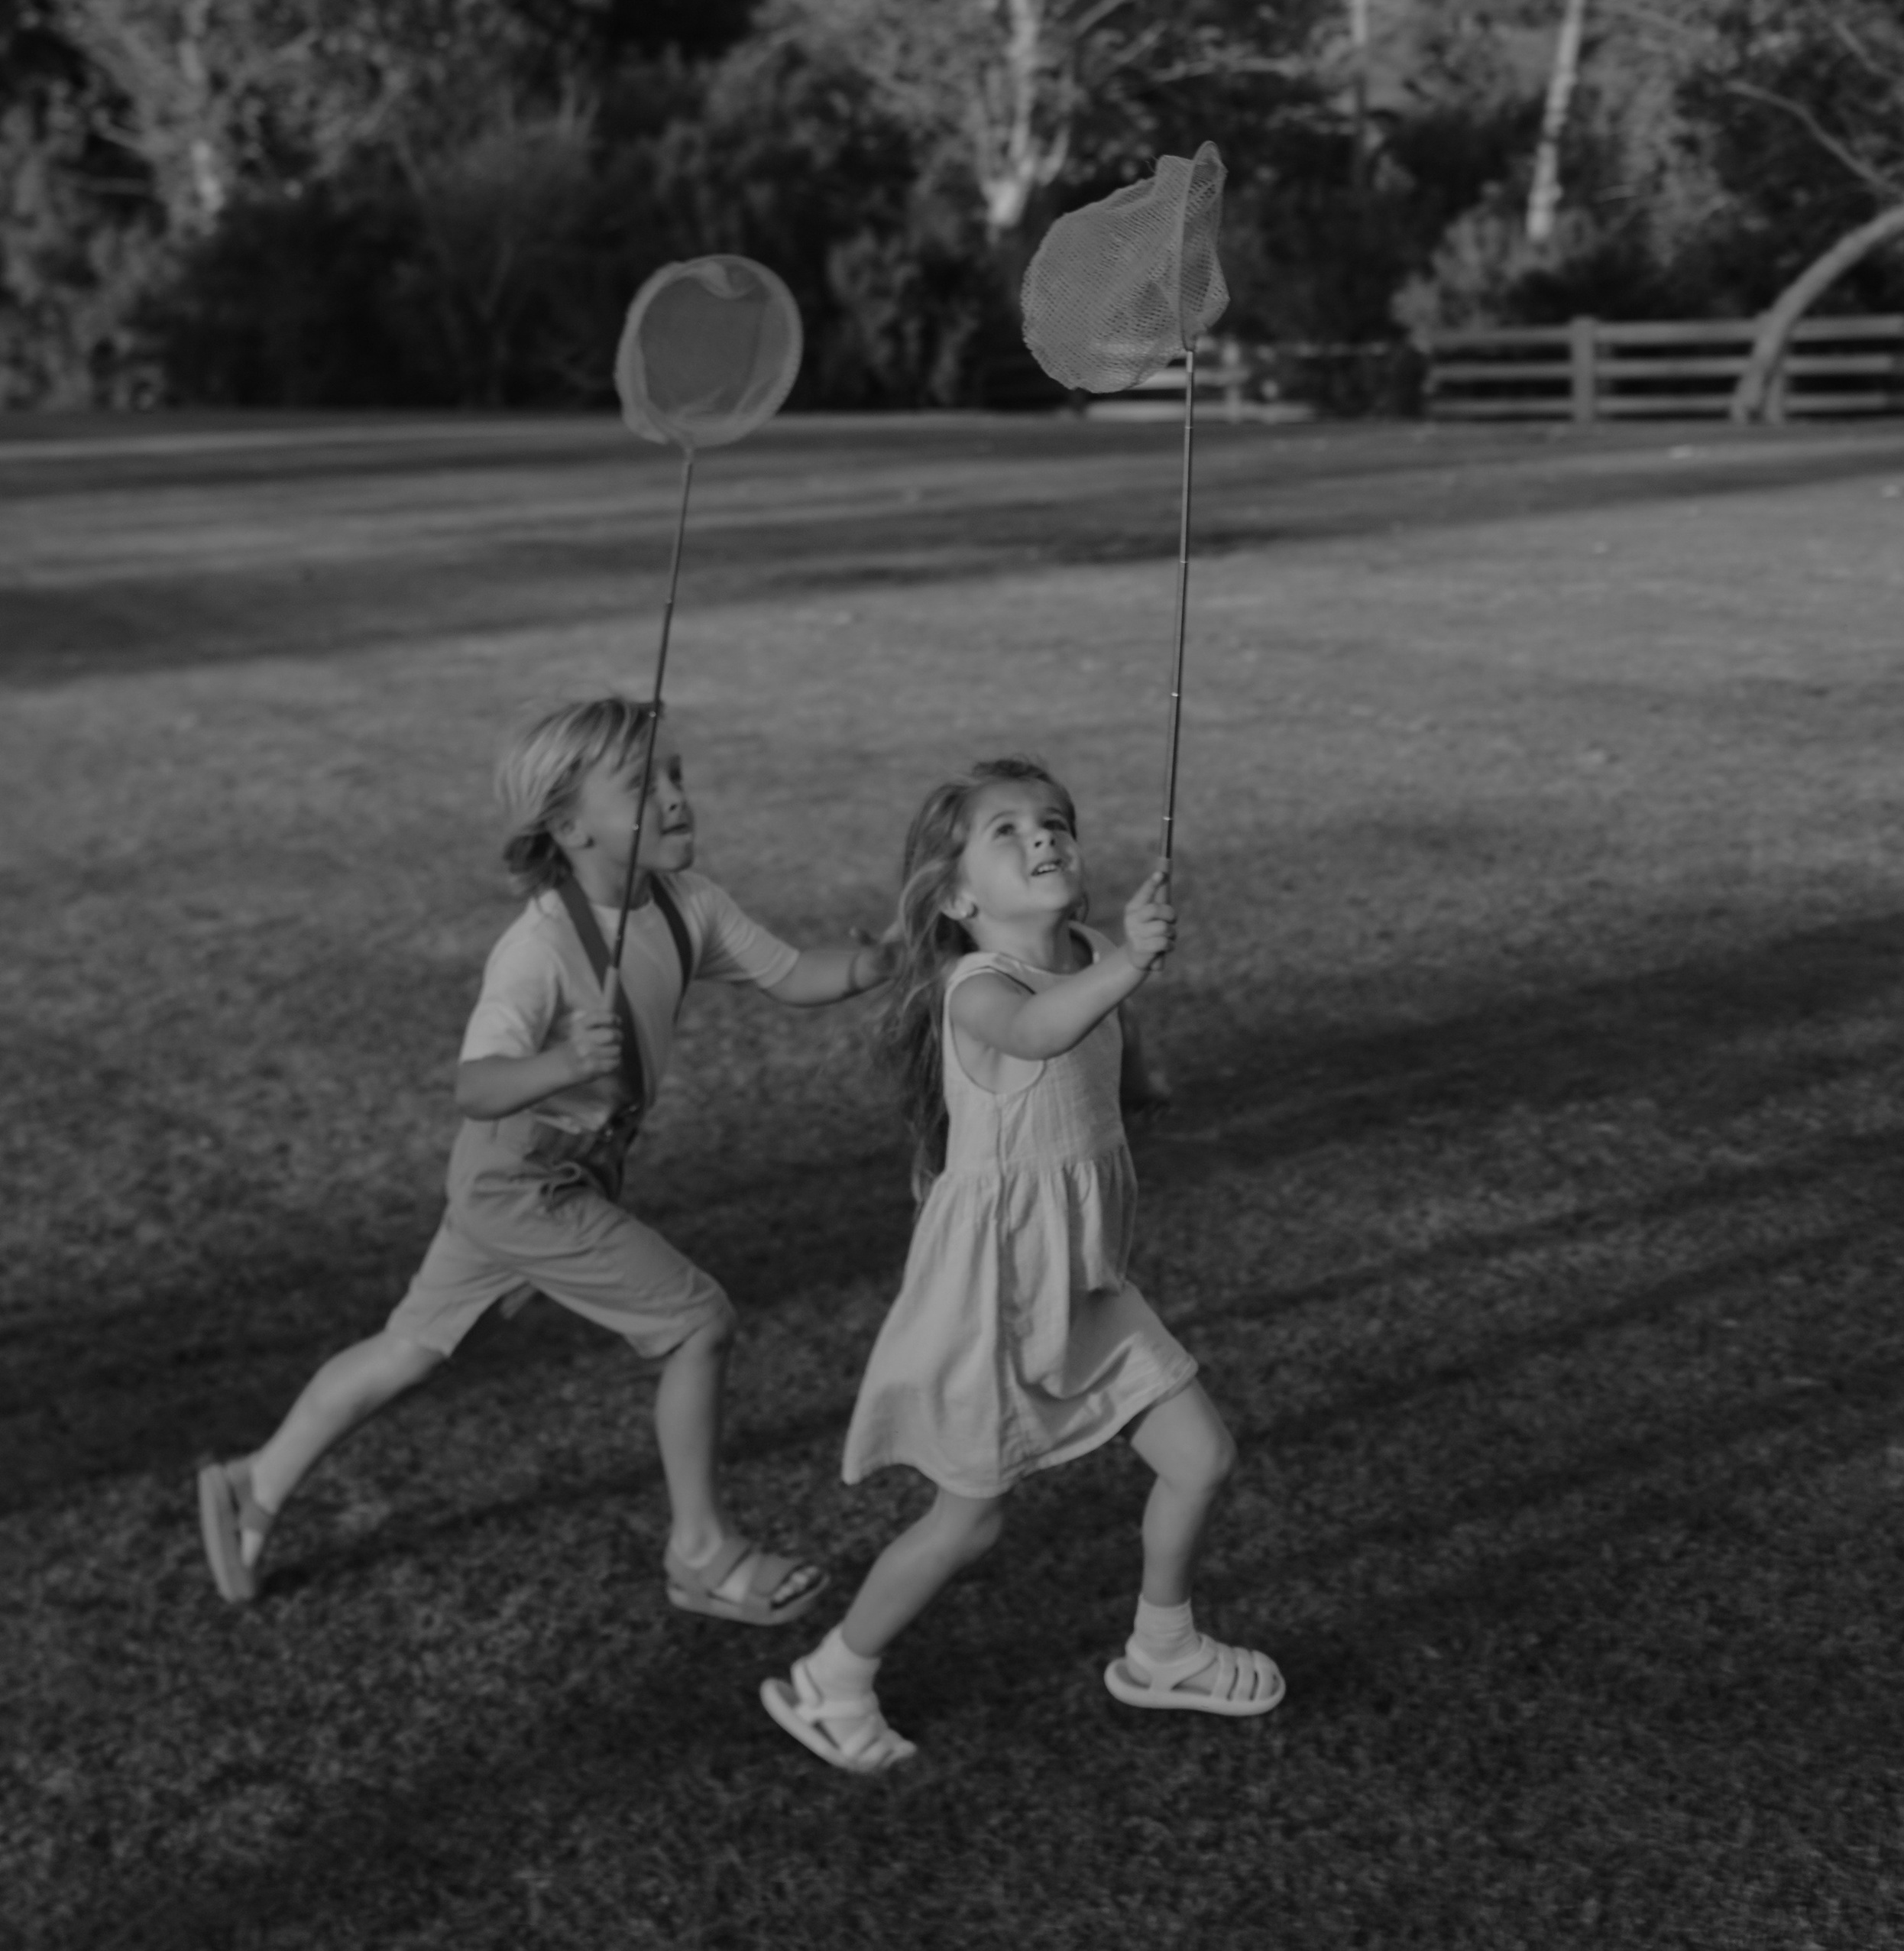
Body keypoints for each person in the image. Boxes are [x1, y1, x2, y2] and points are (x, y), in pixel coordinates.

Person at [198, 695, 892, 1626]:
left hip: (559, 1171)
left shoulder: (691, 902)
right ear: (569, 827)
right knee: (696, 1321)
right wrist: (566, 1061)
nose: (676, 796)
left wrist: (866, 966)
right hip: (522, 1176)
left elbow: (794, 974)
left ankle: (253, 1482)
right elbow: (475, 1085)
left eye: (676, 773)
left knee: (410, 1347)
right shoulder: (538, 947)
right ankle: (702, 1551)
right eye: (643, 784)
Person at [761, 755, 1282, 1772]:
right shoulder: (978, 988)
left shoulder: (1086, 950)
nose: (1042, 836)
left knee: (1200, 1455)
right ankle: (830, 1680)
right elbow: (1040, 1031)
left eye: (1056, 822)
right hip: (994, 1291)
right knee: (970, 1521)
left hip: (1083, 1276)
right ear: (957, 896)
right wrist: (1127, 967)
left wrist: (1140, 1075)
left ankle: (1161, 1650)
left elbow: (1103, 1054)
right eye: (1007, 831)